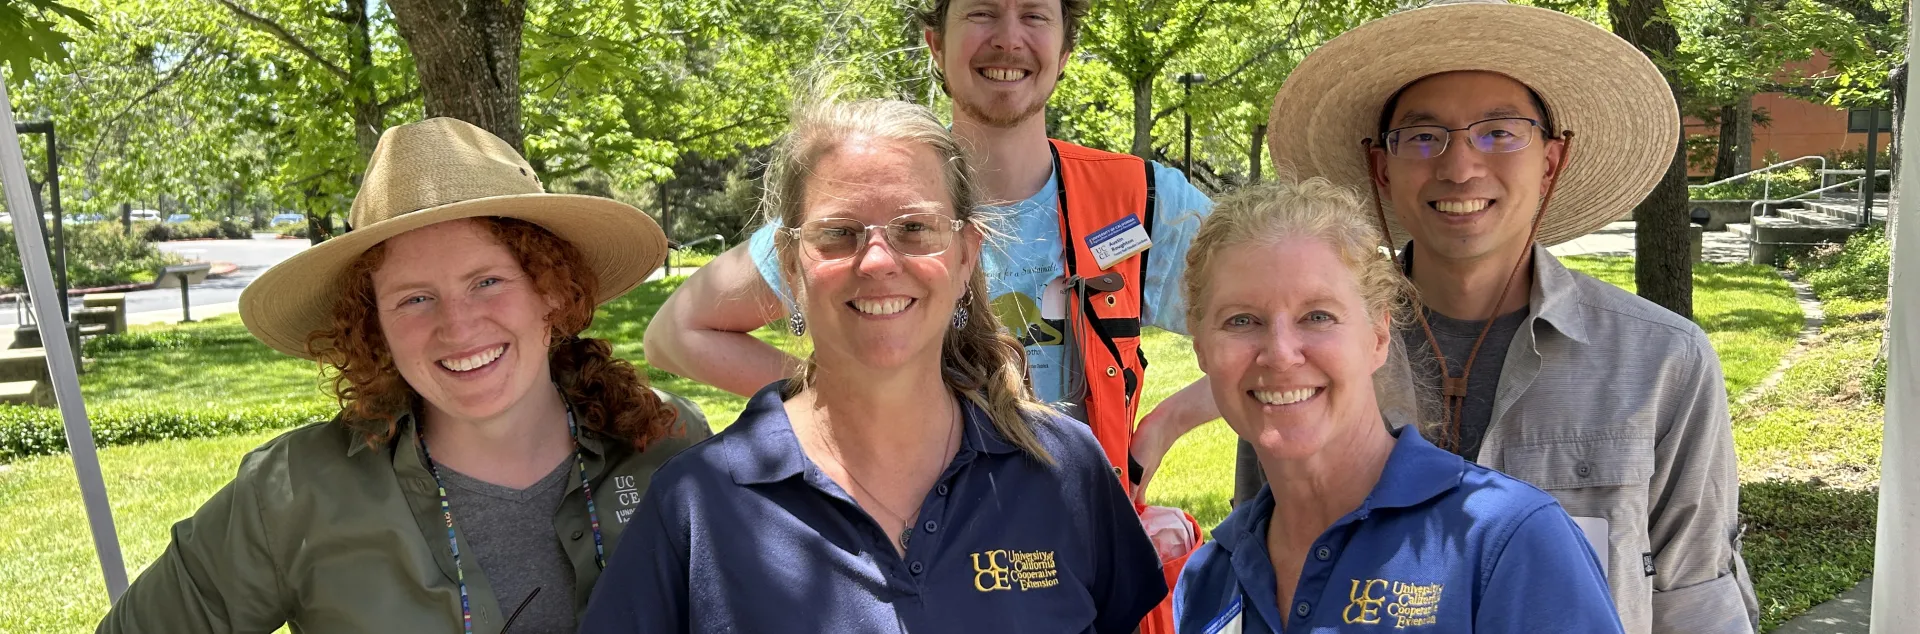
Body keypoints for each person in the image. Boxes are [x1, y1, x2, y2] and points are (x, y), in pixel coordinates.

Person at [641, 4, 1215, 626]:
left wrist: (1165, 422)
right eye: (982, 12)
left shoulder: (1142, 201)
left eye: (1033, 15)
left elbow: (1278, 324)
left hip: (1077, 544)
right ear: (935, 44)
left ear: (1066, 47)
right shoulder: (863, 202)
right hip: (898, 544)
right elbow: (676, 334)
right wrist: (841, 394)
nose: (1008, 39)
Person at [95, 118, 710, 634]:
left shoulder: (665, 442)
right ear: (374, 327)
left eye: (487, 282)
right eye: (414, 299)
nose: (458, 326)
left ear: (550, 290)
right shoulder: (293, 493)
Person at [1265, 1, 1758, 632]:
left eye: (1499, 132)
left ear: (1552, 160)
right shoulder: (1305, 361)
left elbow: (1696, 595)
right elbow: (1267, 566)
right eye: (1423, 137)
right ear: (1382, 169)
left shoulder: (1662, 362)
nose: (1460, 165)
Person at [1170, 177, 1623, 633]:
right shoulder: (1211, 578)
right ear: (1201, 346)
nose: (1281, 352)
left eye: (1318, 316)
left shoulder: (1507, 542)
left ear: (1380, 334)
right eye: (1242, 320)